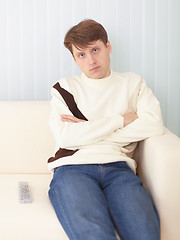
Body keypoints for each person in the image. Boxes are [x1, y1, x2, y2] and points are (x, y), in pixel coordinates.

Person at [48, 19, 164, 240]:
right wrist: (121, 119)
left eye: (95, 50)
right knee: (95, 235)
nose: (91, 60)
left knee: (145, 233)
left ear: (108, 47)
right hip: (73, 169)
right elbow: (66, 137)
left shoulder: (133, 83)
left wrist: (89, 130)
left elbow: (154, 123)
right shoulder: (64, 88)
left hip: (119, 169)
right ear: (74, 59)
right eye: (81, 55)